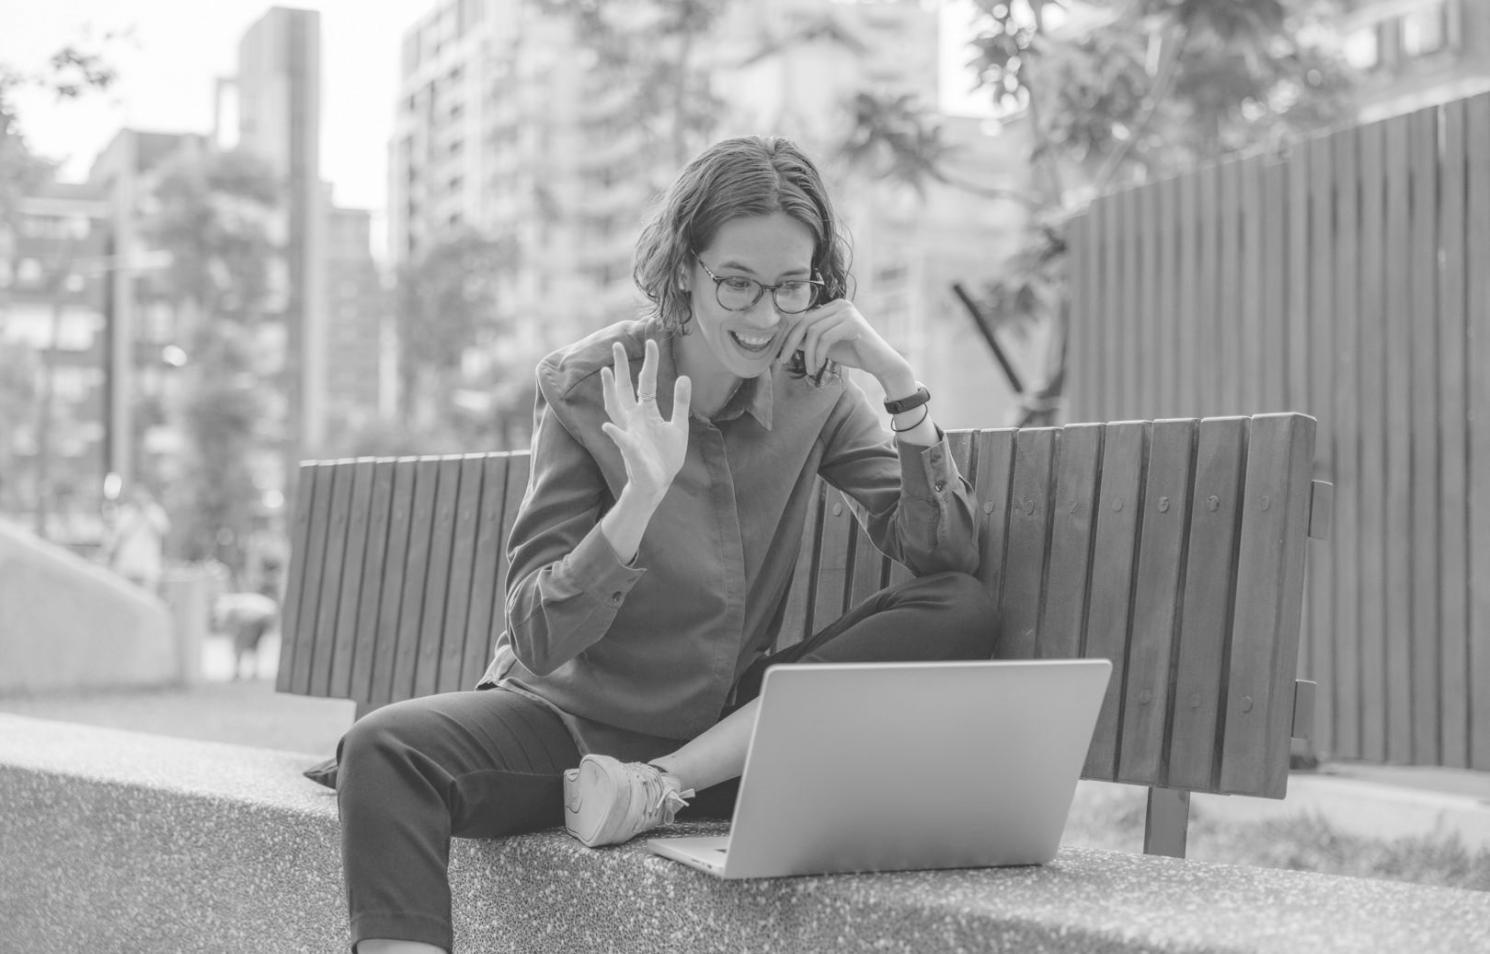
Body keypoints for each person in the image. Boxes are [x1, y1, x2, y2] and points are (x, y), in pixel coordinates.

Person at [334, 136, 999, 954]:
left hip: (721, 747)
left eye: (792, 286)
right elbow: (540, 636)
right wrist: (638, 500)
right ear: (686, 267)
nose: (764, 316)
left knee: (960, 606)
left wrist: (898, 382)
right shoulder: (589, 387)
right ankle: (649, 782)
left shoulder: (816, 386)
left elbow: (947, 556)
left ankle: (666, 783)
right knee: (383, 750)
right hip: (577, 732)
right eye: (738, 284)